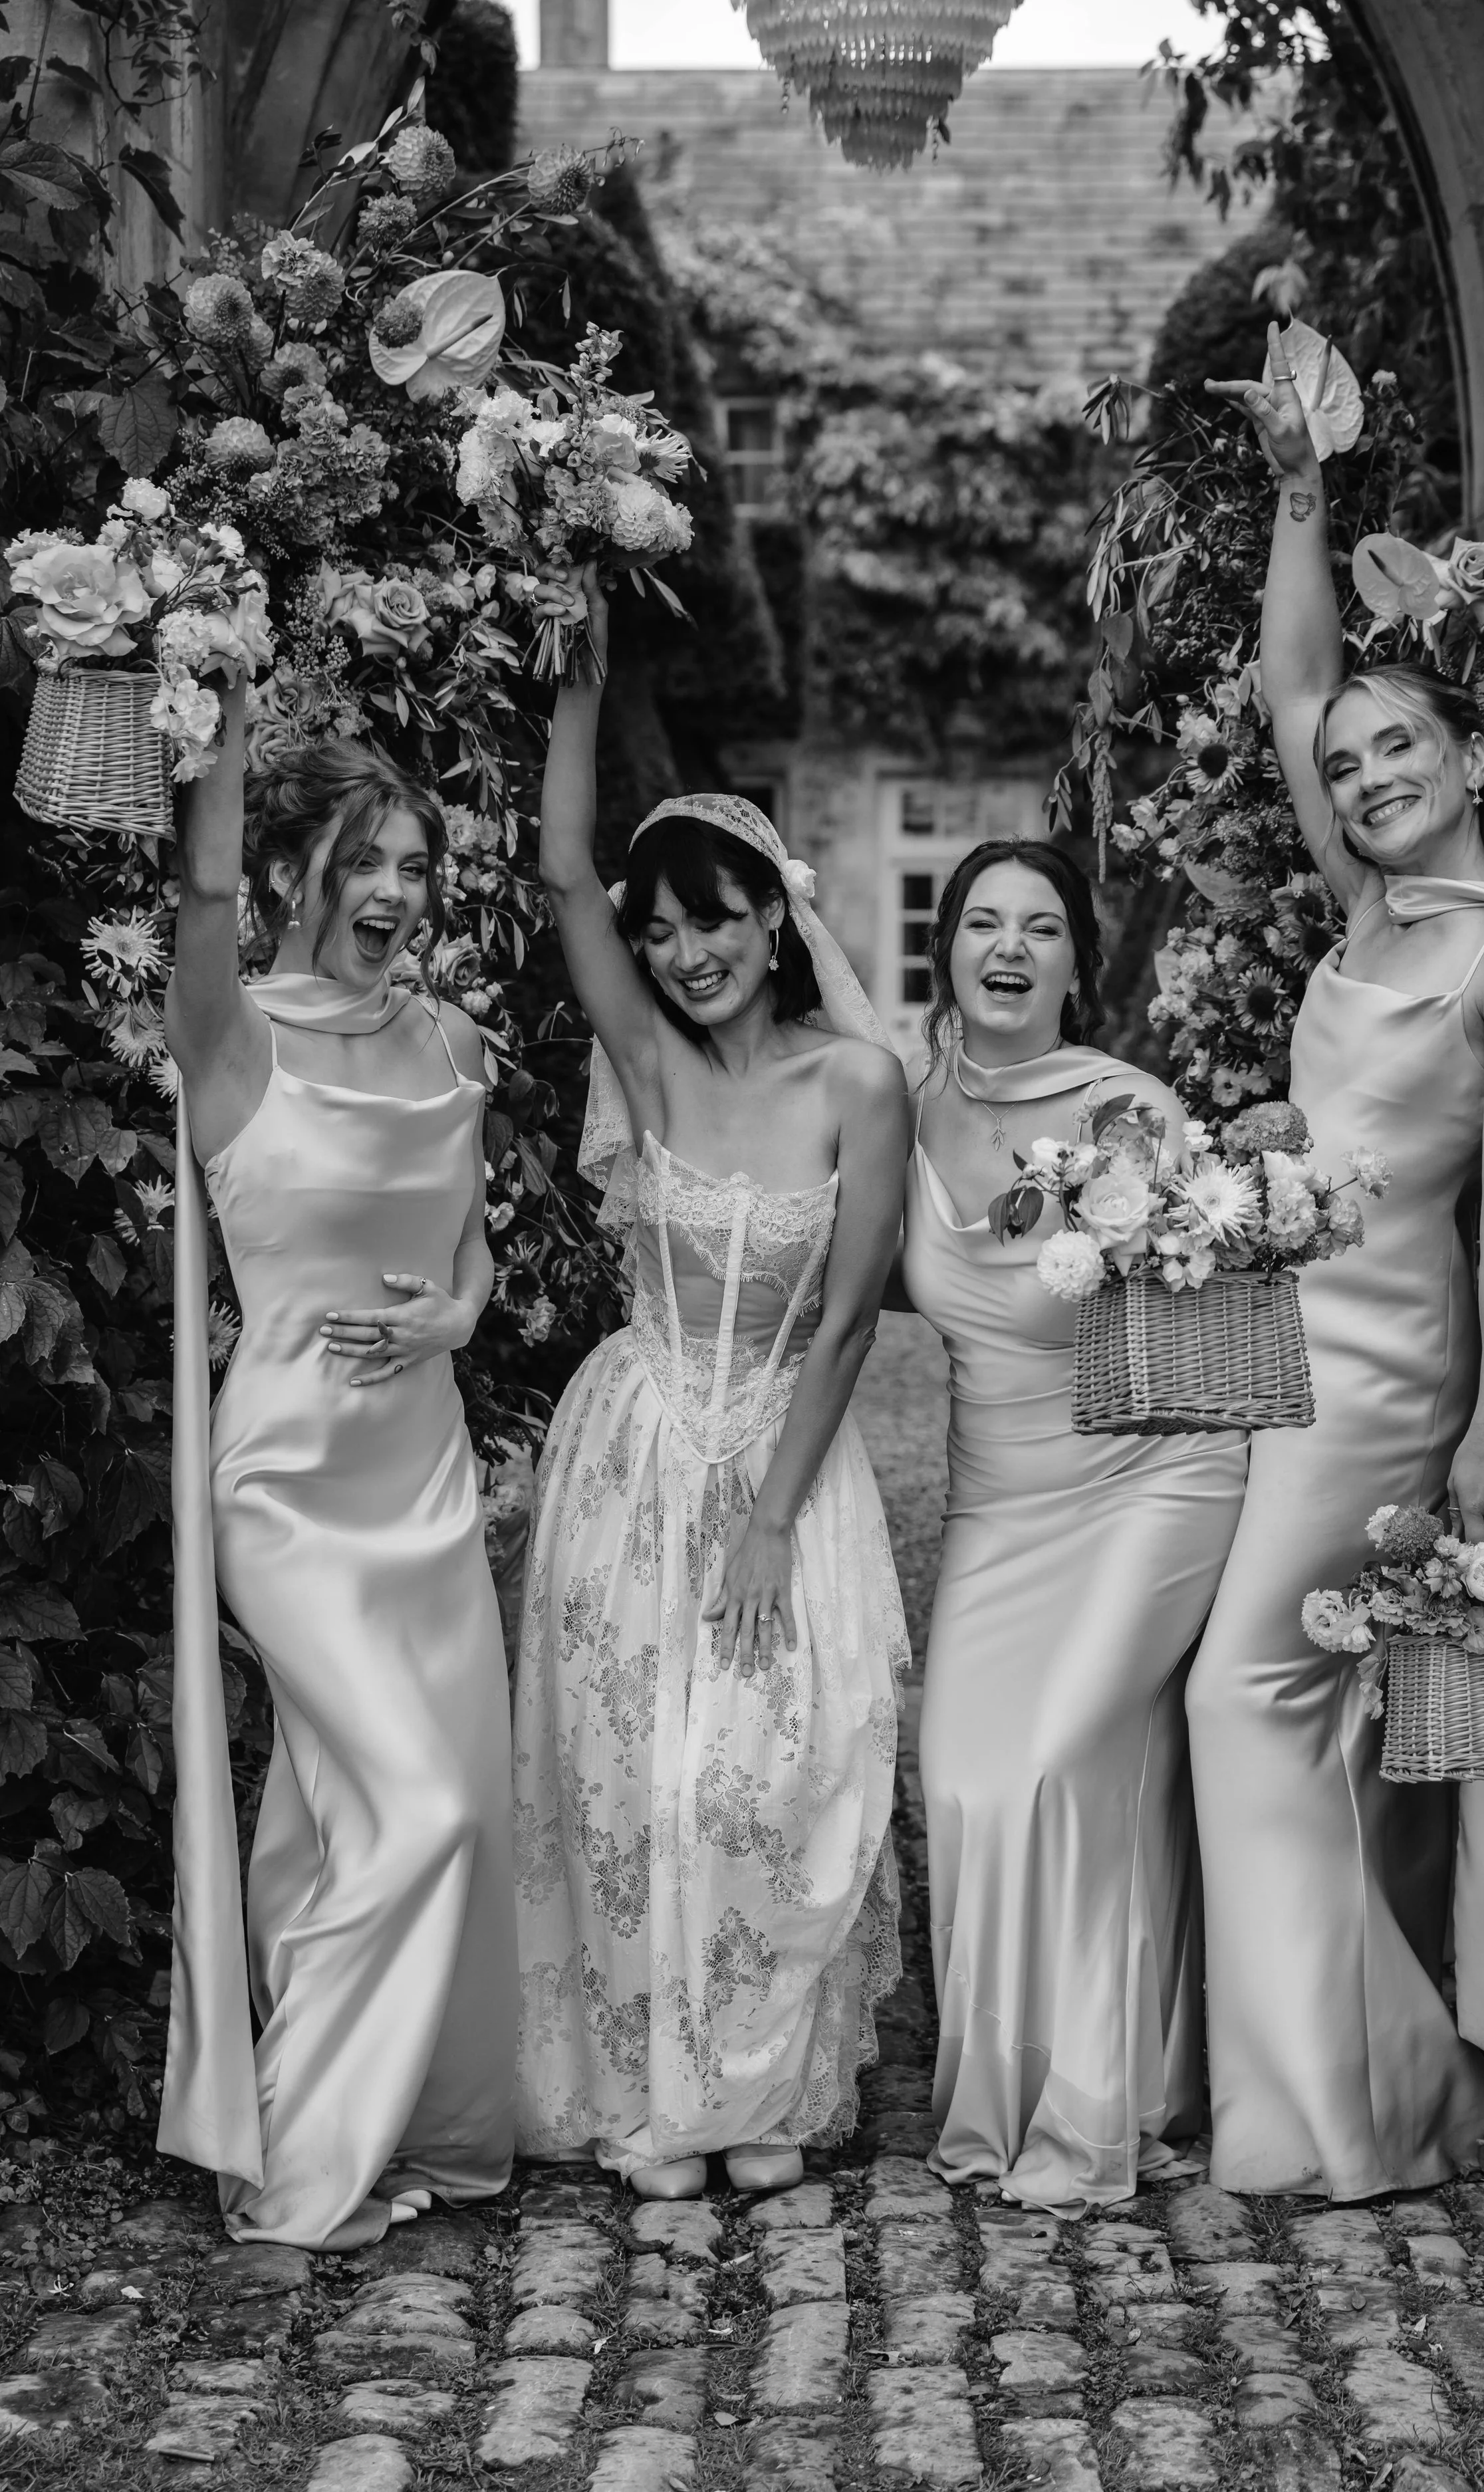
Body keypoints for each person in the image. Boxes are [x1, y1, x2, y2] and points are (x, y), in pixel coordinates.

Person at [1185, 325, 1484, 2197]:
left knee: (1240, 1690)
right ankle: (1376, 2084)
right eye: (1345, 767)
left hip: (1393, 1368)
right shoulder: (1364, 907)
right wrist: (1297, 493)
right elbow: (1289, 681)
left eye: (1395, 746)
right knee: (1319, 1707)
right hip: (1280, 1353)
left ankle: (1351, 2099)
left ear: (1468, 755)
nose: (1357, 776)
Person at [514, 574, 910, 2200]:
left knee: (762, 1774)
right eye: (663, 927)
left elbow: (851, 1318)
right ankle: (651, 2097)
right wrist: (582, 671)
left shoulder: (858, 1079)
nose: (685, 953)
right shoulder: (652, 1064)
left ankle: (755, 2085)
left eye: (715, 918)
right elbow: (561, 869)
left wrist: (766, 1518)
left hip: (780, 1456)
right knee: (628, 1779)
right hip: (633, 1446)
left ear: (773, 916)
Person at [160, 681, 517, 2249]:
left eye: (416, 865)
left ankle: (399, 2122)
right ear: (291, 871)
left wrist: (460, 1313)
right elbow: (201, 896)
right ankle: (302, 2157)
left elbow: (472, 1244)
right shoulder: (230, 1037)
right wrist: (221, 730)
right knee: (414, 1803)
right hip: (291, 1486)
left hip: (421, 1479)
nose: (395, 892)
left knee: (366, 1813)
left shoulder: (447, 1038)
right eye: (364, 860)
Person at [899, 840, 1247, 2211]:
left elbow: (1211, 1318)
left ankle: (1097, 2101)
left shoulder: (1127, 1110)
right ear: (946, 950)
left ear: (1074, 962)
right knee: (960, 1778)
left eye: (1040, 927)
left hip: (1150, 1481)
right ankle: (1002, 2086)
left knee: (1059, 1759)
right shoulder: (901, 1104)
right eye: (982, 922)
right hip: (996, 1502)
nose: (1008, 947)